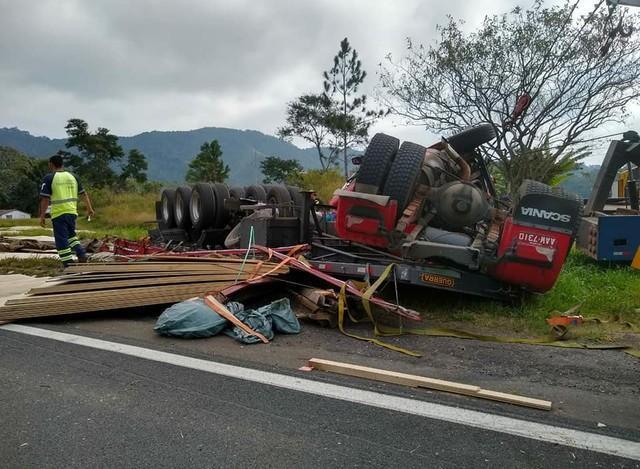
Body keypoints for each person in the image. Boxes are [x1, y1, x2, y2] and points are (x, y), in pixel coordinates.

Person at [39, 153, 95, 266]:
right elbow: (84, 194)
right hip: (72, 212)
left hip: (59, 213)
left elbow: (45, 199)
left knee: (61, 240)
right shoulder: (73, 177)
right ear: (62, 164)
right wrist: (90, 209)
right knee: (71, 236)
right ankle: (81, 254)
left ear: (51, 164)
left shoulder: (49, 178)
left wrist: (42, 216)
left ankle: (68, 263)